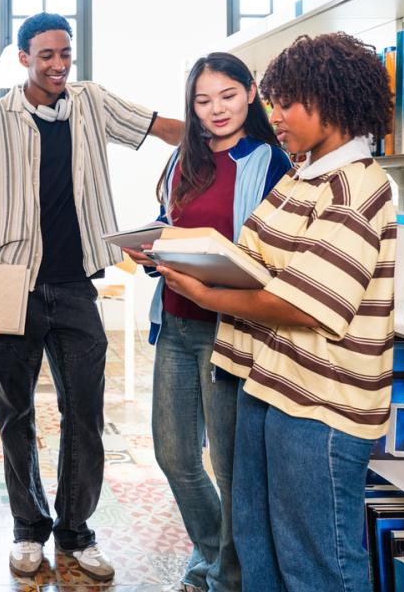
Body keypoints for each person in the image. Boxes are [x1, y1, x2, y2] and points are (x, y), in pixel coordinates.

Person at [155, 32, 396, 592]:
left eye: (286, 102)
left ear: (330, 101)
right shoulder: (299, 175)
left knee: (317, 563)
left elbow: (304, 302)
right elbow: (255, 258)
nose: (275, 114)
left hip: (321, 403)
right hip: (269, 384)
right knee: (261, 548)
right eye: (274, 101)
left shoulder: (358, 185)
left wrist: (205, 292)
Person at [0, 12, 185, 582]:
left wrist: (230, 134)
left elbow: (160, 128)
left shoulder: (90, 101)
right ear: (23, 59)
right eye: (46, 57)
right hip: (12, 284)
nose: (58, 66)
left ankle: (78, 531)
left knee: (84, 414)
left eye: (65, 55)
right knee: (15, 416)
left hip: (76, 287)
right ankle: (27, 529)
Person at [124, 52, 290, 592]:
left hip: (231, 330)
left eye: (227, 96)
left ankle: (226, 576)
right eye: (202, 101)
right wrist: (151, 246)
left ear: (250, 93)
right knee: (174, 455)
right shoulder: (182, 160)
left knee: (230, 465)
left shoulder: (269, 160)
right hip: (175, 323)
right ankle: (217, 555)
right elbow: (176, 225)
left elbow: (272, 252)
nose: (216, 110)